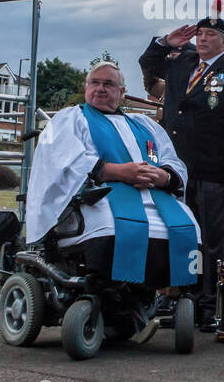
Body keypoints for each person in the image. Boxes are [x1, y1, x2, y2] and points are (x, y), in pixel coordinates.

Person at [25, 62, 200, 304]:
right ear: (86, 87)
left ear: (122, 92)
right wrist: (118, 171)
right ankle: (104, 290)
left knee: (190, 226)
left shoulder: (145, 125)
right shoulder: (72, 119)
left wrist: (164, 176)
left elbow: (172, 160)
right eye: (94, 82)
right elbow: (63, 159)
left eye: (108, 84)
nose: (100, 88)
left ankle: (172, 295)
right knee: (111, 226)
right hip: (101, 196)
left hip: (154, 197)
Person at [139, 14, 224, 330]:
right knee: (176, 234)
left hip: (214, 171)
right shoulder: (181, 63)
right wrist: (166, 43)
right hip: (176, 169)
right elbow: (148, 64)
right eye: (200, 33)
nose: (203, 39)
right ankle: (176, 300)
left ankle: (210, 305)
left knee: (212, 241)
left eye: (210, 34)